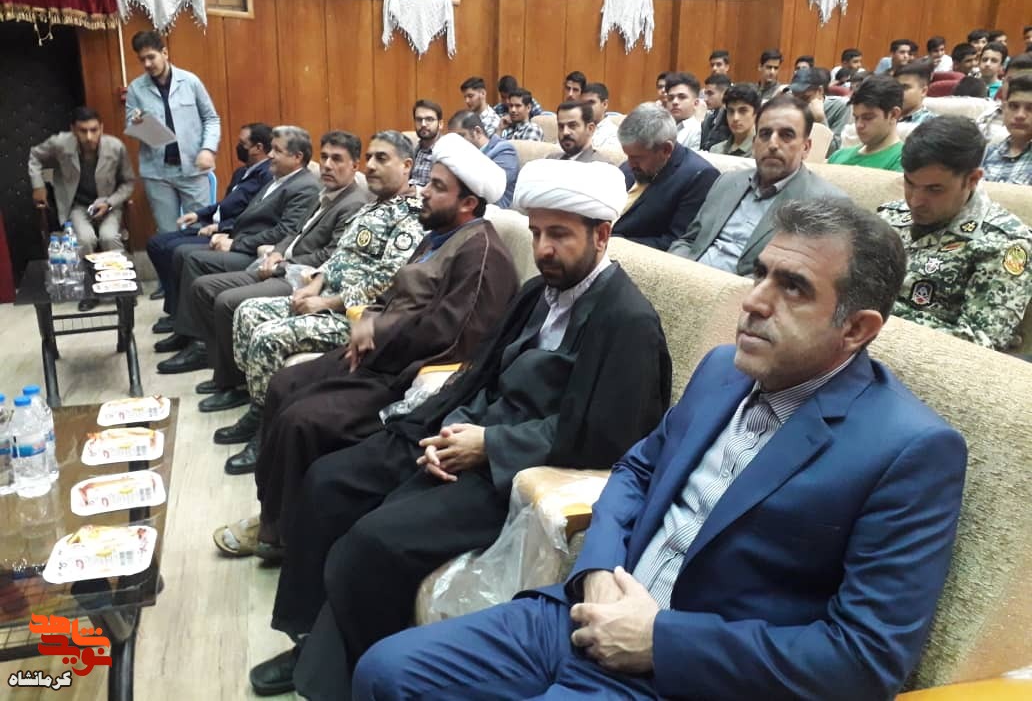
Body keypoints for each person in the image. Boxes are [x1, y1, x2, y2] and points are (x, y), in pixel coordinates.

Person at [356, 197, 967, 701]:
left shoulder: (910, 451)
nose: (755, 301)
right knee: (386, 673)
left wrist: (662, 641)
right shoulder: (723, 370)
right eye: (760, 274)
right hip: (580, 617)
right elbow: (636, 469)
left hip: (688, 675)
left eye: (794, 288)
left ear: (856, 329)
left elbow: (864, 659)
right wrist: (597, 571)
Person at [251, 159, 673, 698]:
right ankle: (311, 642)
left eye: (559, 235)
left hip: (517, 475)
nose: (543, 249)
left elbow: (607, 438)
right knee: (330, 485)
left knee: (372, 542)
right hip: (468, 440)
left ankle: (349, 679)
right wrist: (453, 426)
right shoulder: (538, 292)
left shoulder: (627, 321)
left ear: (602, 235)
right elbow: (481, 374)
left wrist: (488, 445)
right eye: (537, 233)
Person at [215, 132, 520, 555]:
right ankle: (275, 511)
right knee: (284, 386)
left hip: (408, 375)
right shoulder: (439, 234)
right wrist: (370, 319)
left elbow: (449, 336)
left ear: (468, 203)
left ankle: (281, 533)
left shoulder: (480, 253)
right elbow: (393, 292)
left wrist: (377, 332)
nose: (424, 192)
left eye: (437, 187)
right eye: (429, 182)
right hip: (379, 351)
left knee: (302, 420)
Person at [219, 131, 425, 472]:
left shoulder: (411, 216)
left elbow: (389, 280)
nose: (371, 166)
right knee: (247, 312)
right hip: (326, 297)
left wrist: (327, 303)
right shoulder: (373, 205)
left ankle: (266, 434)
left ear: (406, 166)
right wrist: (315, 284)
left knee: (268, 337)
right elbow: (339, 256)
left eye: (382, 159)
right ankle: (259, 410)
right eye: (369, 158)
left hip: (355, 316)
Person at [154, 131, 371, 382]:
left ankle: (231, 381)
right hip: (276, 261)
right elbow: (296, 232)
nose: (327, 165)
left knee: (226, 301)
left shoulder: (353, 203)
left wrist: (282, 263)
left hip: (300, 277)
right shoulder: (326, 192)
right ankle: (210, 356)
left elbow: (330, 255)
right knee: (203, 286)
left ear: (355, 166)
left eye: (337, 159)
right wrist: (277, 251)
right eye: (324, 157)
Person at [152, 126, 320, 355]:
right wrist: (226, 232)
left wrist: (235, 243)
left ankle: (200, 344)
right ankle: (185, 330)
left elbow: (285, 231)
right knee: (180, 253)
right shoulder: (278, 178)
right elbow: (248, 216)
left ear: (297, 157)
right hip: (243, 241)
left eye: (277, 150)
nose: (270, 155)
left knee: (193, 258)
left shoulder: (305, 186)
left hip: (258, 254)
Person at [880, 115, 1031, 351]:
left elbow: (981, 345)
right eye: (910, 183)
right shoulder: (890, 216)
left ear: (972, 179)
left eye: (934, 189)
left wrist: (883, 316)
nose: (915, 201)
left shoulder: (1004, 243)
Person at [669, 94, 844, 274]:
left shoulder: (825, 204)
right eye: (765, 134)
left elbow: (806, 277)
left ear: (805, 147)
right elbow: (688, 240)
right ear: (754, 144)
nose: (773, 144)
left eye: (786, 135)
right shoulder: (726, 182)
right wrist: (673, 272)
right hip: (688, 278)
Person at [148, 123, 273, 333]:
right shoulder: (242, 171)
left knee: (173, 249)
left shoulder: (266, 176)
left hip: (227, 232)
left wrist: (220, 227)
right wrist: (199, 214)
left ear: (257, 147)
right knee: (156, 243)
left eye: (242, 143)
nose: (238, 146)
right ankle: (175, 309)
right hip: (213, 224)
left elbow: (253, 215)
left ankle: (180, 316)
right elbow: (225, 204)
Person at [28, 106, 135, 312]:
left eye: (94, 130)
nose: (89, 136)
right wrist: (38, 185)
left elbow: (128, 182)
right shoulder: (60, 143)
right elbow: (35, 156)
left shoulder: (115, 146)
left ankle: (122, 290)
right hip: (77, 205)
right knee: (85, 240)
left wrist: (110, 202)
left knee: (109, 237)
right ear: (73, 130)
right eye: (83, 131)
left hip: (108, 204)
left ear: (101, 128)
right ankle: (90, 290)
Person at [125, 30, 220, 235]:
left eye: (151, 57)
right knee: (167, 232)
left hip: (192, 168)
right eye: (142, 60)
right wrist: (137, 123)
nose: (147, 64)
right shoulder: (135, 89)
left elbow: (211, 118)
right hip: (157, 173)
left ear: (165, 53)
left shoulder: (190, 81)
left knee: (201, 230)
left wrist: (208, 149)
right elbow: (130, 124)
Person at [614, 103, 719, 251]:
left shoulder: (700, 176)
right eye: (628, 156)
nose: (630, 164)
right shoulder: (634, 163)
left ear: (666, 149)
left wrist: (613, 243)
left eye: (637, 158)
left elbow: (677, 242)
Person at [828, 75, 904, 172]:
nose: (859, 125)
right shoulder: (837, 156)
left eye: (868, 118)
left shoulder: (905, 161)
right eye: (856, 118)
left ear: (893, 114)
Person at [448, 110, 518, 207]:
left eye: (461, 136)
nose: (457, 143)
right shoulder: (463, 155)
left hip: (494, 209)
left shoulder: (504, 150)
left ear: (477, 132)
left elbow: (491, 187)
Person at [980, 74, 1032, 185]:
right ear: (1004, 108)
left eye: (1030, 108)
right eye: (1014, 106)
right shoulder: (987, 153)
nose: (1020, 115)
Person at [788, 67, 849, 155]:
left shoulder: (840, 106)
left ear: (820, 91)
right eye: (795, 98)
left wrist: (820, 120)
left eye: (805, 98)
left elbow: (834, 152)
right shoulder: (790, 106)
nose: (800, 104)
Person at [709, 83, 760, 157]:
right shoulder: (716, 150)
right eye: (731, 111)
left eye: (743, 111)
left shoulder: (761, 152)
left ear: (756, 113)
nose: (735, 118)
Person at [665, 71, 702, 149]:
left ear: (696, 103)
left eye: (682, 97)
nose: (674, 102)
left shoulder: (698, 130)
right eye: (670, 98)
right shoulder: (663, 128)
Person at [409, 99, 441, 189]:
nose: (423, 124)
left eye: (429, 119)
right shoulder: (413, 150)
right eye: (419, 120)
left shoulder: (445, 152)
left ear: (440, 124)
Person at [580, 82, 620, 149]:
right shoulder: (574, 128)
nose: (586, 107)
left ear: (605, 104)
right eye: (583, 103)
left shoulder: (613, 134)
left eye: (591, 102)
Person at [896, 62, 936, 127]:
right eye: (896, 87)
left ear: (923, 91)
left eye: (905, 87)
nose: (898, 92)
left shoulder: (932, 124)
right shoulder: (886, 118)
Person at [700, 73, 731, 151]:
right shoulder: (710, 118)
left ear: (725, 93)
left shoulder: (729, 119)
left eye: (710, 94)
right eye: (705, 94)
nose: (705, 99)